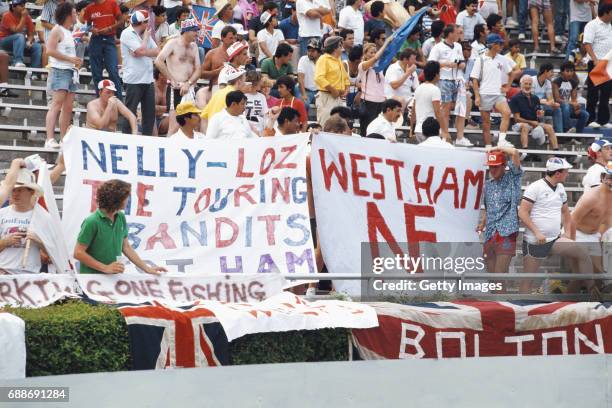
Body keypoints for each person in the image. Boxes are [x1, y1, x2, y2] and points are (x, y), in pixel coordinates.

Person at [518, 157, 595, 295]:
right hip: (535, 241)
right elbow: (522, 212)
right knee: (527, 280)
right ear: (557, 173)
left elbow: (566, 213)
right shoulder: (535, 187)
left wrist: (567, 234)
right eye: (566, 171)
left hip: (554, 239)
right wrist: (537, 232)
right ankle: (522, 310)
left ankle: (590, 290)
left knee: (582, 254)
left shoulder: (560, 188)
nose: (568, 174)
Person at [74, 179, 167, 275]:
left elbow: (126, 247)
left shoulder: (120, 217)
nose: (128, 200)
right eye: (127, 197)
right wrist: (105, 268)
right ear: (117, 199)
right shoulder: (92, 221)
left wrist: (148, 269)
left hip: (114, 279)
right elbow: (78, 253)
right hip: (91, 281)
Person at [477, 146, 522, 278]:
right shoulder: (488, 185)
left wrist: (497, 148)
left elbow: (515, 152)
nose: (492, 170)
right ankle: (496, 299)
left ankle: (502, 299)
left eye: (496, 166)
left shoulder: (513, 178)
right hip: (490, 232)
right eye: (490, 167)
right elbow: (487, 206)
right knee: (492, 277)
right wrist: (482, 223)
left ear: (504, 166)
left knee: (499, 276)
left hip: (506, 232)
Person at [154, 18, 201, 135]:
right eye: (195, 30)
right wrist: (171, 79)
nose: (197, 33)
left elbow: (198, 69)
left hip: (189, 88)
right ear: (186, 31)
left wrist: (189, 83)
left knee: (194, 125)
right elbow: (158, 61)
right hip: (176, 89)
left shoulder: (194, 46)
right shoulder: (173, 43)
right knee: (174, 126)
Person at [44, 2, 81, 150]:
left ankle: (64, 138)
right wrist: (71, 59)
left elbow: (66, 53)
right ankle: (50, 138)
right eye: (74, 12)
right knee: (56, 105)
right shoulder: (57, 30)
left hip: (70, 71)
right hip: (59, 70)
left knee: (68, 107)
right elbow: (49, 51)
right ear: (68, 14)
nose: (75, 15)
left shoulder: (68, 31)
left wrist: (76, 61)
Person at [0, 168, 50, 274]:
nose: (15, 194)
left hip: (30, 276)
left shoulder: (44, 217)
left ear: (31, 191)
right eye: (13, 190)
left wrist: (39, 242)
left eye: (19, 190)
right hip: (3, 272)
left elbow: (55, 255)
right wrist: (4, 242)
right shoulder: (2, 213)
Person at [428, 24, 470, 145]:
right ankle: (444, 134)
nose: (459, 35)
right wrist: (446, 64)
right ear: (450, 34)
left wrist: (462, 64)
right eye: (457, 33)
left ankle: (460, 137)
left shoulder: (458, 46)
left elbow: (461, 61)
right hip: (444, 79)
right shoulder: (438, 47)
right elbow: (431, 63)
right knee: (445, 108)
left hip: (458, 79)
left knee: (462, 107)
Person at [470, 34, 515, 147]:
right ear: (492, 45)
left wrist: (508, 87)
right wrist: (477, 96)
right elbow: (474, 79)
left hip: (498, 94)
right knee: (486, 123)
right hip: (484, 93)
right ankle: (488, 147)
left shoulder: (503, 59)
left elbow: (512, 73)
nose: (501, 45)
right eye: (498, 43)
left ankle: (501, 141)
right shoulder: (480, 59)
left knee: (507, 113)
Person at [120, 10, 159, 136]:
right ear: (143, 23)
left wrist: (141, 52)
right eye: (147, 22)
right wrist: (146, 40)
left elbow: (157, 51)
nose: (148, 25)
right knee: (130, 112)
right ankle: (126, 138)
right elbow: (143, 49)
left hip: (148, 79)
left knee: (149, 114)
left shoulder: (143, 32)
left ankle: (146, 140)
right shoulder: (126, 33)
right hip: (133, 80)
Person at [571, 166, 612, 276]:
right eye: (610, 178)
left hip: (594, 235)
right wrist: (571, 242)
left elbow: (608, 221)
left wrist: (599, 236)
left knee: (597, 275)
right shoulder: (591, 197)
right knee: (579, 277)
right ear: (602, 178)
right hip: (578, 234)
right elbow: (573, 220)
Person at [83, 0, 123, 99]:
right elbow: (88, 25)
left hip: (109, 39)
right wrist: (92, 29)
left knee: (113, 71)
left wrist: (110, 28)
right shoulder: (89, 8)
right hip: (96, 40)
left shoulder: (112, 3)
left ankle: (118, 101)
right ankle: (100, 100)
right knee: (96, 73)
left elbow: (121, 21)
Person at [510, 75, 559, 150]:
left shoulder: (535, 98)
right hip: (519, 124)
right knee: (525, 126)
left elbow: (538, 117)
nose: (528, 86)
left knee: (549, 127)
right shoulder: (515, 98)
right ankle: (525, 151)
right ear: (521, 84)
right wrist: (532, 122)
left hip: (534, 123)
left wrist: (540, 115)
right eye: (526, 83)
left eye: (530, 84)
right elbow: (517, 119)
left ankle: (556, 151)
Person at [583, 4, 612, 129]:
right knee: (593, 93)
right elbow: (587, 43)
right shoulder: (592, 25)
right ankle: (590, 119)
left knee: (606, 93)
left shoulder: (610, 26)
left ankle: (603, 120)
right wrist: (594, 59)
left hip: (608, 63)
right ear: (607, 12)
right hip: (597, 63)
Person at [357, 40, 391, 136]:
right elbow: (376, 58)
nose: (374, 54)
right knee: (367, 130)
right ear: (365, 54)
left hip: (380, 102)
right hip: (369, 102)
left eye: (375, 52)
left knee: (378, 130)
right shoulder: (363, 65)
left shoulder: (379, 67)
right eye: (371, 52)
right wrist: (386, 43)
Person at [314, 36, 349, 125]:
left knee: (338, 126)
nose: (343, 48)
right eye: (340, 46)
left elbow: (345, 77)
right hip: (326, 96)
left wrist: (347, 89)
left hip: (338, 98)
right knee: (325, 125)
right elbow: (319, 78)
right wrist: (333, 90)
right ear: (334, 48)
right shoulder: (323, 59)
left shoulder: (338, 59)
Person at [0, 0, 42, 68]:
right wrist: (23, 17)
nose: (23, 7)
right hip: (4, 42)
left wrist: (29, 41)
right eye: (21, 5)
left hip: (20, 42)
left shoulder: (27, 17)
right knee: (19, 36)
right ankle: (17, 61)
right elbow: (16, 31)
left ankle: (34, 72)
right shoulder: (7, 15)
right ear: (13, 7)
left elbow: (31, 33)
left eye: (24, 5)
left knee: (37, 46)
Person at [552, 61, 590, 133]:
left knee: (585, 114)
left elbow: (574, 99)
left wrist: (576, 107)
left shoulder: (573, 83)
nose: (570, 73)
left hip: (568, 106)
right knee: (566, 106)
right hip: (558, 107)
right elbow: (557, 99)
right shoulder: (556, 82)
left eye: (571, 71)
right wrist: (572, 103)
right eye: (567, 71)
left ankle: (577, 135)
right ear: (562, 72)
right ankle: (567, 129)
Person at [411, 61, 442, 142]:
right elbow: (437, 112)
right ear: (436, 75)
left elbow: (413, 111)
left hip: (418, 130)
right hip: (430, 132)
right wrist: (444, 131)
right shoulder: (435, 89)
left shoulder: (418, 88)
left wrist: (411, 130)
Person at [201, 25, 237, 94]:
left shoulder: (239, 54)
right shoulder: (212, 53)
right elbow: (201, 74)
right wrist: (217, 71)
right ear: (222, 38)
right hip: (217, 88)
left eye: (235, 38)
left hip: (234, 90)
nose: (233, 41)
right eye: (231, 38)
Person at [384, 48, 419, 114]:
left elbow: (417, 87)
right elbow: (394, 86)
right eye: (413, 59)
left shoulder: (412, 70)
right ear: (405, 59)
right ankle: (398, 122)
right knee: (401, 101)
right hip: (392, 97)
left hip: (408, 98)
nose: (415, 62)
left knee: (420, 100)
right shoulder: (393, 68)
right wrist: (408, 73)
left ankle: (412, 124)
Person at [531, 63, 562, 134]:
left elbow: (550, 98)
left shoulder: (548, 82)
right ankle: (542, 130)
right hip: (532, 105)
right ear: (545, 71)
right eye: (551, 72)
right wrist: (546, 102)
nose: (553, 74)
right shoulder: (532, 80)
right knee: (541, 108)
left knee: (557, 108)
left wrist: (553, 103)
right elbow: (531, 98)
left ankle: (560, 133)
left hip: (542, 104)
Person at [298, 38, 321, 106]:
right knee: (304, 104)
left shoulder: (323, 60)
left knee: (325, 105)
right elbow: (300, 79)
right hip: (305, 90)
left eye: (313, 51)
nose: (309, 53)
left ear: (319, 52)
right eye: (308, 50)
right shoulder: (303, 59)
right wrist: (304, 94)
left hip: (319, 92)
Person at [153, 68, 169, 136]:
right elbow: (150, 108)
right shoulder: (151, 87)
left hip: (163, 120)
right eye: (167, 73)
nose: (170, 75)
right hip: (150, 121)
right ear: (160, 75)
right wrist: (167, 108)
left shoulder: (169, 88)